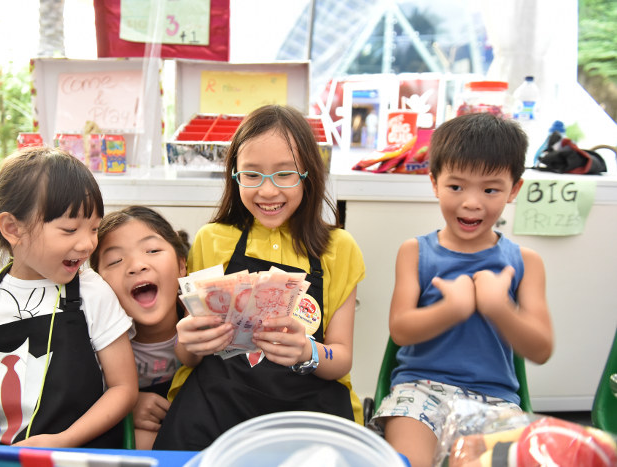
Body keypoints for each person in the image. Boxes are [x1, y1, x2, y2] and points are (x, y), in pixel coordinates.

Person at [153, 104, 366, 451]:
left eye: (285, 174)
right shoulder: (212, 239)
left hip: (308, 406)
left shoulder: (339, 248)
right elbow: (189, 355)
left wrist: (307, 351)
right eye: (251, 175)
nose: (267, 191)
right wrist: (187, 343)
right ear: (234, 175)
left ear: (308, 174)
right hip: (219, 399)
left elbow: (340, 358)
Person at [370, 112, 554, 467]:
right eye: (456, 187)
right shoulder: (415, 252)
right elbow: (400, 329)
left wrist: (499, 308)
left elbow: (541, 348)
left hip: (496, 400)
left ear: (514, 189)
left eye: (490, 189)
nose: (472, 202)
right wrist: (451, 309)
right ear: (435, 183)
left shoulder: (525, 262)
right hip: (418, 390)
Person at [0, 147, 138, 448]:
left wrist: (63, 440)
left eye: (94, 228)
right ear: (13, 228)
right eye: (69, 229)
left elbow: (124, 388)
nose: (88, 243)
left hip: (73, 454)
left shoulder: (94, 293)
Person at [90, 206, 190, 449]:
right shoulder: (95, 341)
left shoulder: (200, 317)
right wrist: (126, 407)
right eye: (115, 261)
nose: (136, 265)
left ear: (181, 265)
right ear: (97, 284)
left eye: (153, 250)